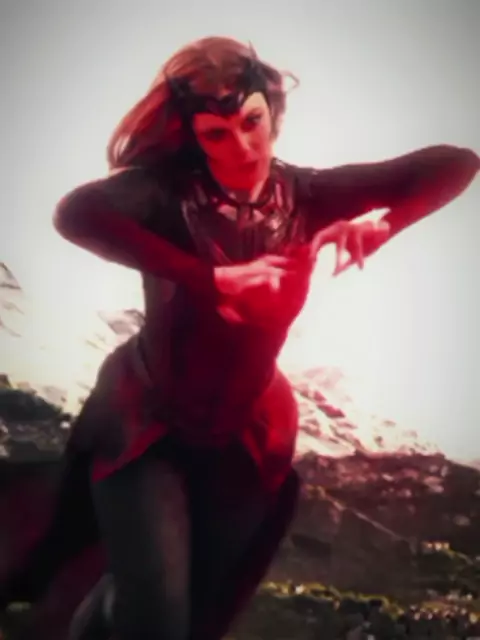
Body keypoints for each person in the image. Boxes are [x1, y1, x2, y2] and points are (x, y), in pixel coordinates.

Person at [0, 36, 478, 640]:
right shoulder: (163, 193)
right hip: (149, 425)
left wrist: (386, 224)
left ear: (272, 114)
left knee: (196, 609)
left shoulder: (308, 196)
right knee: (156, 620)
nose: (243, 148)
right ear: (194, 137)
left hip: (245, 439)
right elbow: (75, 214)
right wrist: (210, 278)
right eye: (216, 134)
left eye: (252, 122)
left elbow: (457, 162)